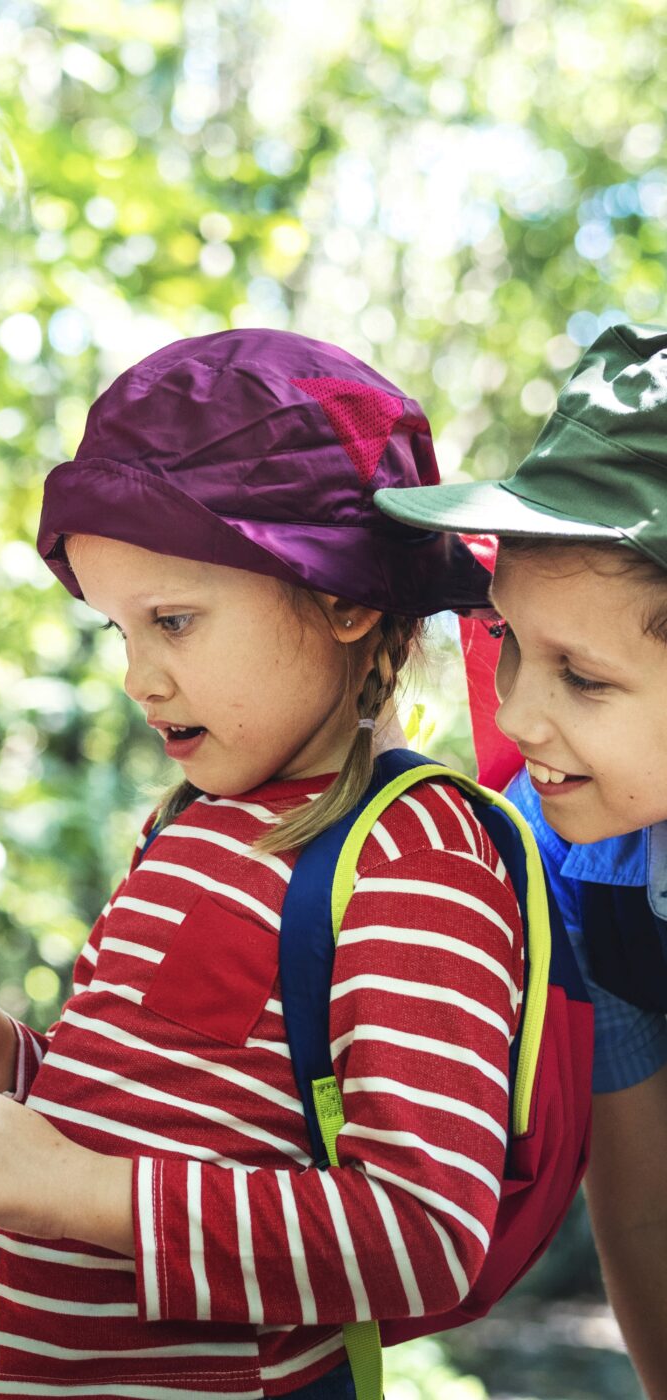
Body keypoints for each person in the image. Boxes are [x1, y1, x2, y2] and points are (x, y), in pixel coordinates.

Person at [0, 331, 524, 1399]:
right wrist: (2, 1056)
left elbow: (421, 1232)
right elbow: (169, 1118)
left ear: (343, 597)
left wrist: (81, 1191)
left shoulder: (409, 855)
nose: (136, 674)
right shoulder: (184, 828)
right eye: (119, 629)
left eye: (171, 620)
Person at [376, 322, 667, 1398]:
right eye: (506, 643)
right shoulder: (564, 862)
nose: (515, 717)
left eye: (581, 679)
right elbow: (639, 1200)